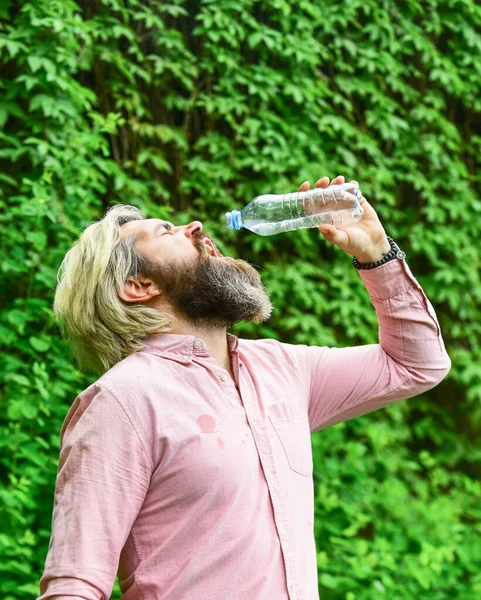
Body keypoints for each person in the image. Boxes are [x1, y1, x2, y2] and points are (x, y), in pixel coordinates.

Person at [38, 175, 451, 600]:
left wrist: (377, 254)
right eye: (166, 230)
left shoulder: (282, 368)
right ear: (139, 286)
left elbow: (415, 364)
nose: (195, 226)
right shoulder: (121, 401)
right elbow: (73, 586)